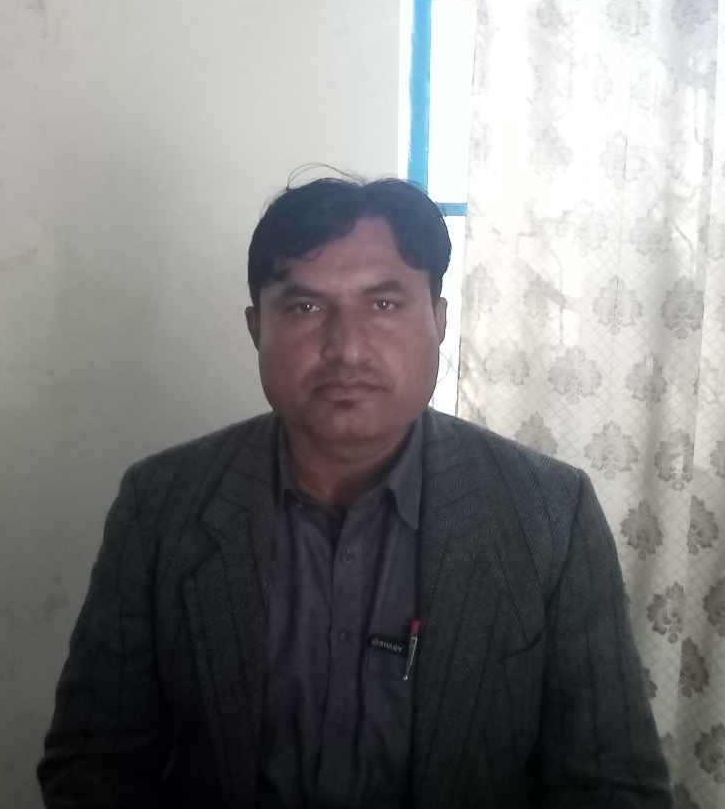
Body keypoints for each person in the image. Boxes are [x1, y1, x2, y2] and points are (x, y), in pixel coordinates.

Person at [36, 176, 673, 808]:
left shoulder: (549, 514)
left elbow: (612, 784)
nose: (346, 349)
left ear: (439, 321)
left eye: (384, 304)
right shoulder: (161, 506)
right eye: (305, 308)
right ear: (257, 328)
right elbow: (93, 764)